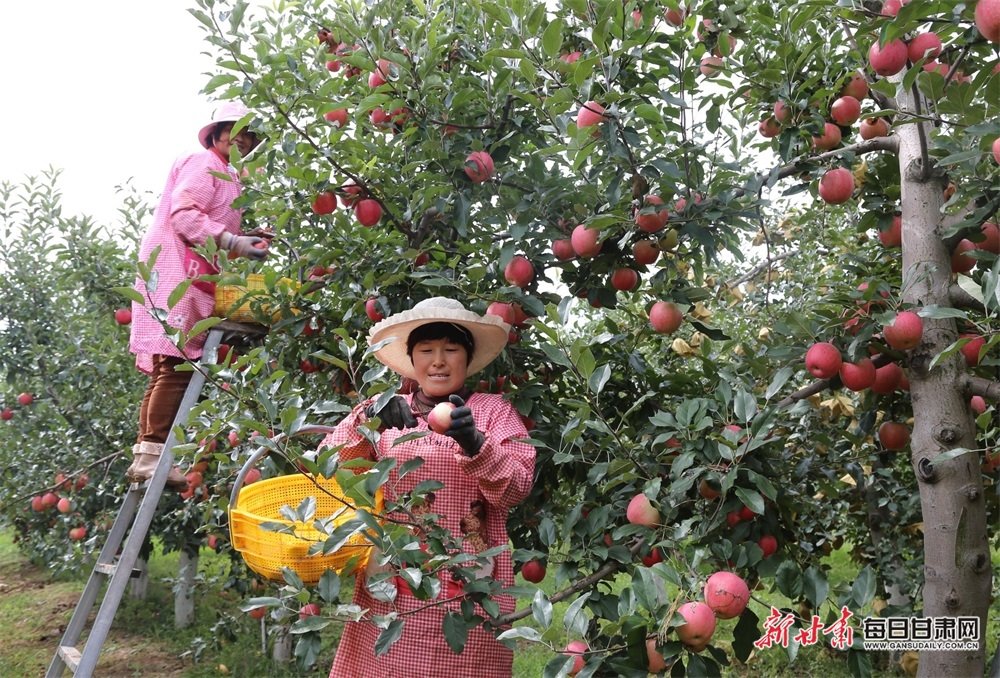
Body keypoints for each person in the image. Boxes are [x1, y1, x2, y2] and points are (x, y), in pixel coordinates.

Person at [319, 296, 536, 677]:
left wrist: (476, 445)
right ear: (412, 358)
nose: (439, 360)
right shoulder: (384, 407)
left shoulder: (492, 412)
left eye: (451, 349)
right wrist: (368, 423)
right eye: (427, 350)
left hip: (469, 585)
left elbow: (517, 488)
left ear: (466, 358)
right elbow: (326, 465)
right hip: (395, 579)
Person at [127, 101, 268, 488]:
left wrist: (243, 239)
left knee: (167, 367)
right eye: (237, 131)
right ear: (218, 131)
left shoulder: (224, 172)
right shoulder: (203, 162)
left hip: (183, 271)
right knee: (176, 363)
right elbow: (185, 214)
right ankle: (151, 453)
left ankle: (146, 455)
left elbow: (210, 222)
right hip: (177, 272)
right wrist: (235, 243)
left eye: (250, 136)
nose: (243, 140)